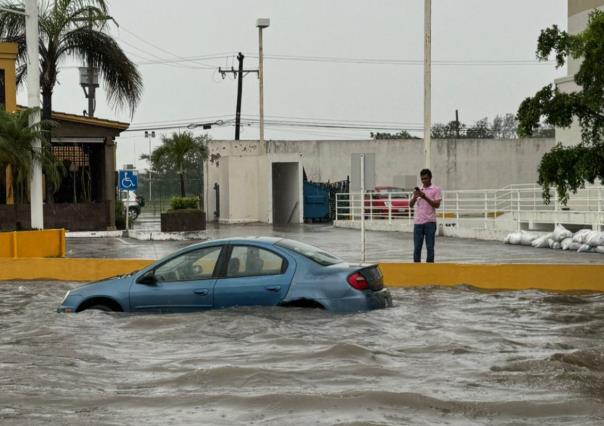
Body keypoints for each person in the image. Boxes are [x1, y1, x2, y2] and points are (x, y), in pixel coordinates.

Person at [409, 169, 441, 263]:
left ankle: (429, 269)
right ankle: (416, 268)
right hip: (418, 223)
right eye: (422, 179)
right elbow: (410, 205)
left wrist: (425, 197)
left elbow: (437, 205)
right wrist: (415, 197)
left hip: (430, 222)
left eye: (426, 178)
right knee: (417, 248)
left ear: (430, 178)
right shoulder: (419, 189)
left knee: (430, 247)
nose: (424, 181)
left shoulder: (436, 189)